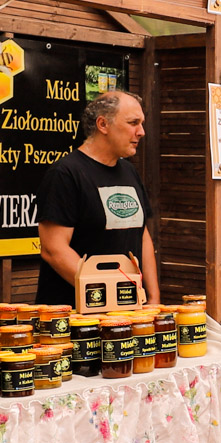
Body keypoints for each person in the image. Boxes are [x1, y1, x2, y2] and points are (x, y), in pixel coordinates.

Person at [35, 91, 160, 305]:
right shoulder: (66, 173)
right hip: (74, 316)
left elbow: (142, 235)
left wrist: (153, 297)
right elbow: (53, 249)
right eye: (133, 123)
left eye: (142, 123)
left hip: (128, 309)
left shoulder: (129, 172)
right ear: (103, 125)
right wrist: (107, 295)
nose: (141, 132)